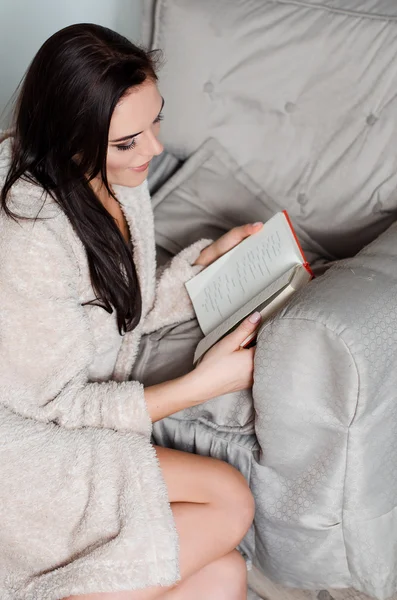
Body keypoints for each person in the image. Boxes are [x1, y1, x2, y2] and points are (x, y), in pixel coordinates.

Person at [0, 23, 263, 600]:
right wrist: (198, 386)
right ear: (70, 135)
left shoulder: (116, 173)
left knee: (225, 577)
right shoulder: (27, 235)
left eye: (156, 121)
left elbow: (119, 312)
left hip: (59, 424)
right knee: (229, 499)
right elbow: (57, 407)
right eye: (129, 141)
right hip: (23, 449)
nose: (155, 149)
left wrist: (206, 265)